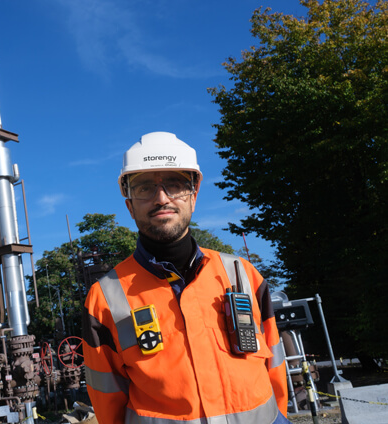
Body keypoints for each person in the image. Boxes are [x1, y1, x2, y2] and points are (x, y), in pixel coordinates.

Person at [82, 132, 290, 423]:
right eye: (144, 188)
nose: (162, 198)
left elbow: (275, 367)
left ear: (194, 195)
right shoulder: (105, 298)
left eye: (175, 185)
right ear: (129, 205)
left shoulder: (242, 275)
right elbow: (108, 401)